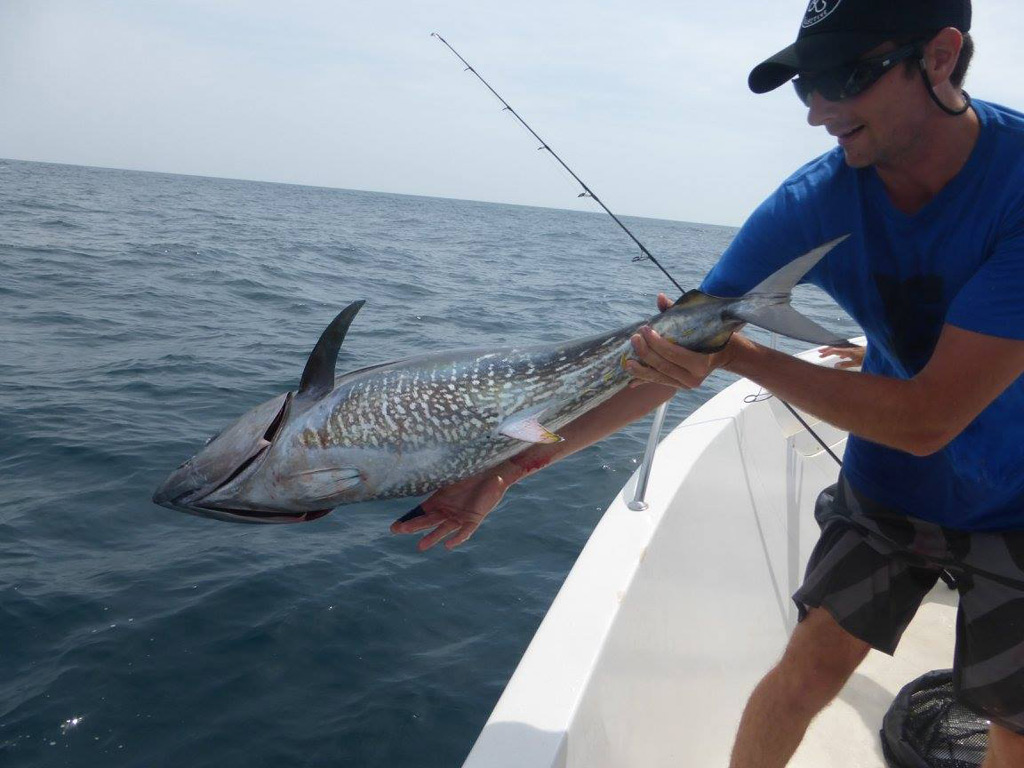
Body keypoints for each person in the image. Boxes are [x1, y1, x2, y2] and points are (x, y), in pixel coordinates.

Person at [392, 0, 1024, 764]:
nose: (819, 111)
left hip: (1015, 495)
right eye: (808, 86)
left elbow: (930, 418)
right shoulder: (814, 203)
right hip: (892, 482)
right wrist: (513, 466)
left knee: (1013, 724)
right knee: (806, 671)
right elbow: (671, 356)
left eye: (847, 77)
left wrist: (740, 356)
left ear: (942, 56)